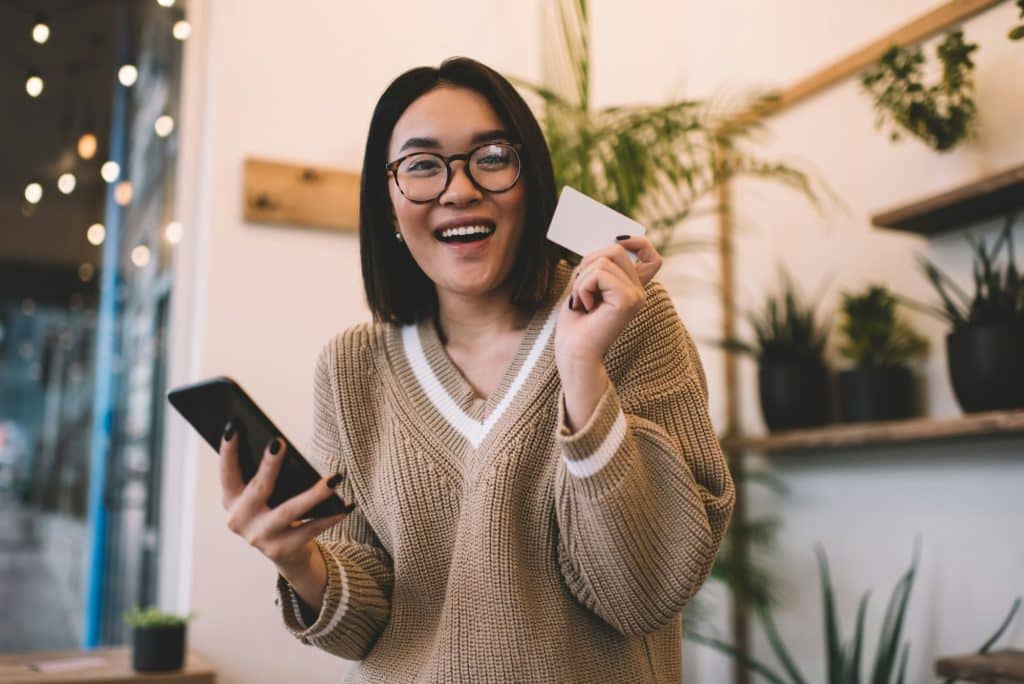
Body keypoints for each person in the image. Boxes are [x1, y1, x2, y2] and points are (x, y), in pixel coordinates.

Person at [218, 57, 735, 683]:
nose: (459, 190)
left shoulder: (633, 324)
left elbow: (642, 592)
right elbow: (370, 628)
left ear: (531, 180)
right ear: (388, 205)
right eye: (422, 166)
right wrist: (299, 561)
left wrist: (579, 368)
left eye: (491, 157)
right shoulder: (350, 367)